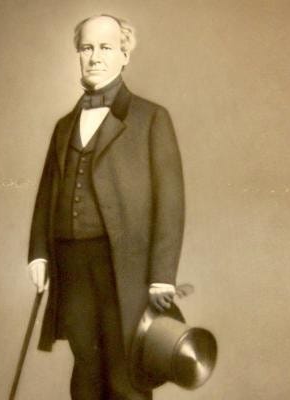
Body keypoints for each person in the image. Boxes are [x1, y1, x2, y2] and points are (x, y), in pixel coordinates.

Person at [26, 14, 184, 400]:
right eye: (87, 48)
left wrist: (162, 275)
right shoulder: (64, 125)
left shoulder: (151, 119)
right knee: (85, 366)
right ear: (78, 55)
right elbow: (47, 193)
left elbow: (171, 201)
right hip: (71, 261)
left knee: (124, 369)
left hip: (125, 265)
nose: (95, 57)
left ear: (125, 54)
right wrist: (39, 254)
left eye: (106, 47)